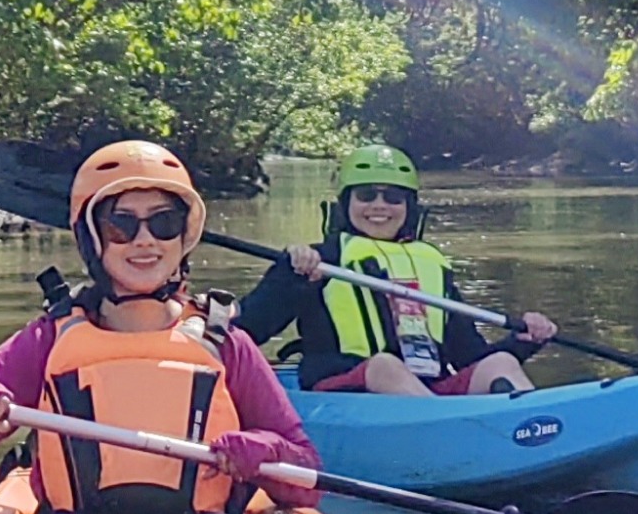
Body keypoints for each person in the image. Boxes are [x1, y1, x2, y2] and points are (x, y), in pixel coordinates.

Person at [0, 139, 320, 514]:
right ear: (92, 238)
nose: (144, 241)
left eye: (163, 223)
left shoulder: (226, 344)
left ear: (184, 235)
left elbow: (308, 477)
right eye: (120, 225)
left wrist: (266, 450)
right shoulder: (47, 340)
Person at [237, 143, 557, 396]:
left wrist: (523, 341)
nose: (379, 205)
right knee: (385, 367)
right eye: (366, 195)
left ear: (409, 208)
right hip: (346, 391)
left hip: (422, 392)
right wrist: (294, 278)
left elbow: (468, 356)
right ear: (346, 204)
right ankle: (448, 433)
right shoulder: (318, 260)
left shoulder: (431, 268)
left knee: (499, 363)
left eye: (393, 197)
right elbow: (250, 327)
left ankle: (534, 430)